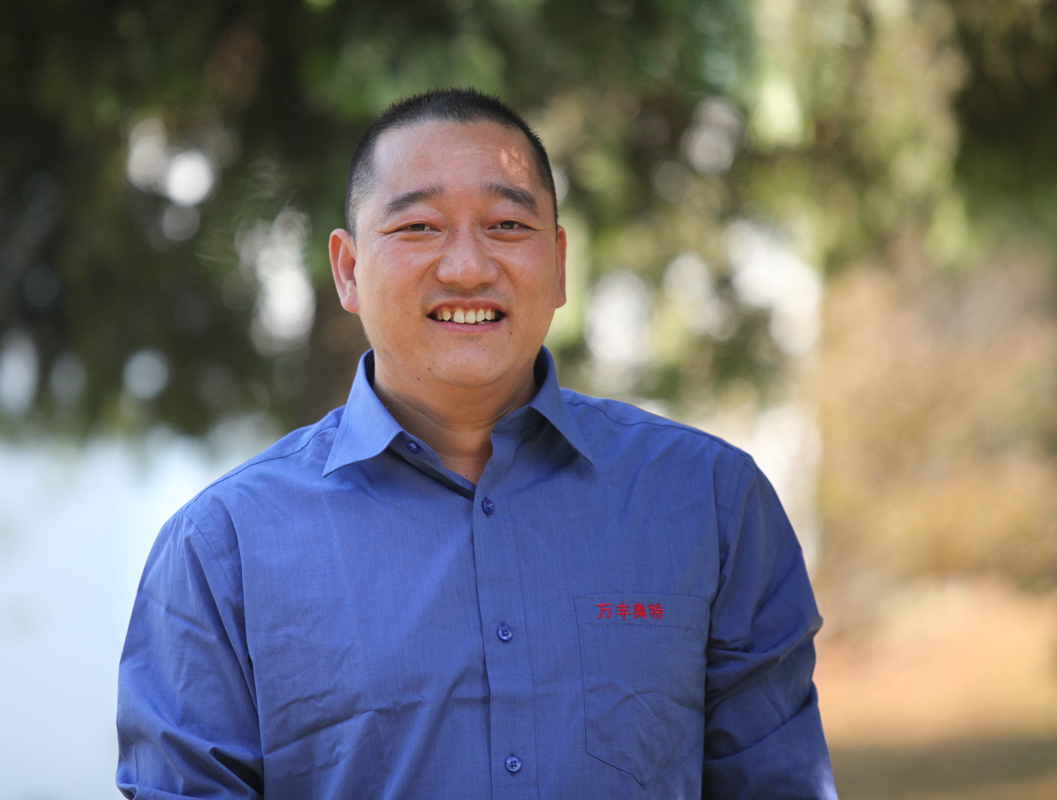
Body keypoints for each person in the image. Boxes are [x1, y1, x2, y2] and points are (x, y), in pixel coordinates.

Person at [116, 88, 837, 800]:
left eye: (507, 225)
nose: (467, 267)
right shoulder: (223, 549)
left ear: (559, 263)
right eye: (419, 227)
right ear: (348, 269)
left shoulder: (709, 504)